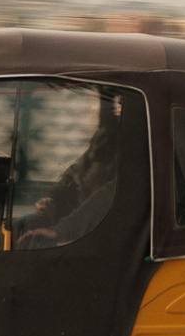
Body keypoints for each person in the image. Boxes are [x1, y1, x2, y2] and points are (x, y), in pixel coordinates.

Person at [15, 92, 122, 248]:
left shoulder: (132, 145)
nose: (92, 110)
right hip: (73, 221)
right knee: (22, 225)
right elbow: (74, 173)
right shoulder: (105, 137)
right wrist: (51, 199)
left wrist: (62, 231)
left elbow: (108, 196)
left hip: (98, 231)